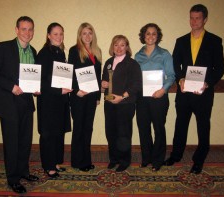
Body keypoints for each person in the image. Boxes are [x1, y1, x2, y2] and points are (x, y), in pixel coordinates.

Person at [164, 4, 224, 174]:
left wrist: (207, 83)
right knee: (180, 125)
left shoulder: (214, 41)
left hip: (203, 93)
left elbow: (219, 68)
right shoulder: (181, 41)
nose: (194, 21)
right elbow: (176, 64)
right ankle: (176, 155)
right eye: (191, 17)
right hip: (184, 93)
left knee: (203, 127)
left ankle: (199, 160)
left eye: (198, 18)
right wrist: (181, 78)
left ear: (205, 19)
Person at [0, 16, 39, 194]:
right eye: (23, 29)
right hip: (8, 103)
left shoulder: (34, 51)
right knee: (12, 143)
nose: (27, 33)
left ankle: (23, 172)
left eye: (30, 29)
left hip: (26, 102)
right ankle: (13, 179)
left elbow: (32, 78)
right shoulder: (3, 47)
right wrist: (11, 86)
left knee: (24, 141)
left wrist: (36, 89)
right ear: (16, 30)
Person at [135, 23, 175, 171]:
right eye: (147, 34)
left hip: (159, 97)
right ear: (143, 36)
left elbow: (171, 75)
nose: (150, 36)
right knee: (143, 128)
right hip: (142, 98)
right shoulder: (137, 55)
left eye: (153, 34)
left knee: (158, 128)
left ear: (157, 36)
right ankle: (146, 158)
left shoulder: (164, 54)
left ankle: (157, 161)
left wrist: (163, 90)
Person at [102, 35, 142, 172]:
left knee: (123, 134)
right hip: (109, 103)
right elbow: (104, 82)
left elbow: (136, 85)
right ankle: (114, 159)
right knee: (110, 132)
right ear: (112, 47)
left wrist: (122, 97)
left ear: (127, 47)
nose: (119, 48)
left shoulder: (132, 64)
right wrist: (103, 83)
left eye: (122, 45)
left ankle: (124, 161)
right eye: (116, 45)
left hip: (125, 104)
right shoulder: (108, 62)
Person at [36, 23, 72, 178]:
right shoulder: (44, 54)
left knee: (58, 133)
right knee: (49, 135)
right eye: (55, 34)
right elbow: (41, 82)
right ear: (49, 35)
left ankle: (56, 162)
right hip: (49, 102)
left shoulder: (60, 52)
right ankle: (48, 166)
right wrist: (60, 90)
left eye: (61, 34)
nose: (59, 37)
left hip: (60, 101)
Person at [68, 22, 102, 172]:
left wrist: (98, 96)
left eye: (90, 33)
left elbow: (98, 76)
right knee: (79, 129)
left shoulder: (97, 51)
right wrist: (76, 90)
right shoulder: (74, 50)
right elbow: (70, 72)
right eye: (84, 33)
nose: (87, 36)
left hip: (91, 97)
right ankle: (77, 161)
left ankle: (86, 160)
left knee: (88, 128)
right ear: (80, 35)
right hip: (79, 97)